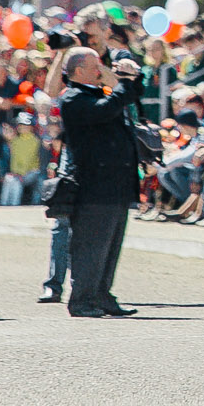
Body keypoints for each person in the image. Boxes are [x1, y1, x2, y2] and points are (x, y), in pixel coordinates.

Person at [55, 46, 142, 318]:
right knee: (91, 246)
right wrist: (118, 85)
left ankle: (102, 294)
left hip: (116, 183)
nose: (101, 71)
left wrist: (131, 79)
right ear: (79, 71)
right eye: (95, 67)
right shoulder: (73, 98)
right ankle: (81, 299)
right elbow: (105, 109)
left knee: (111, 245)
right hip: (94, 186)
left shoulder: (99, 92)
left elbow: (131, 96)